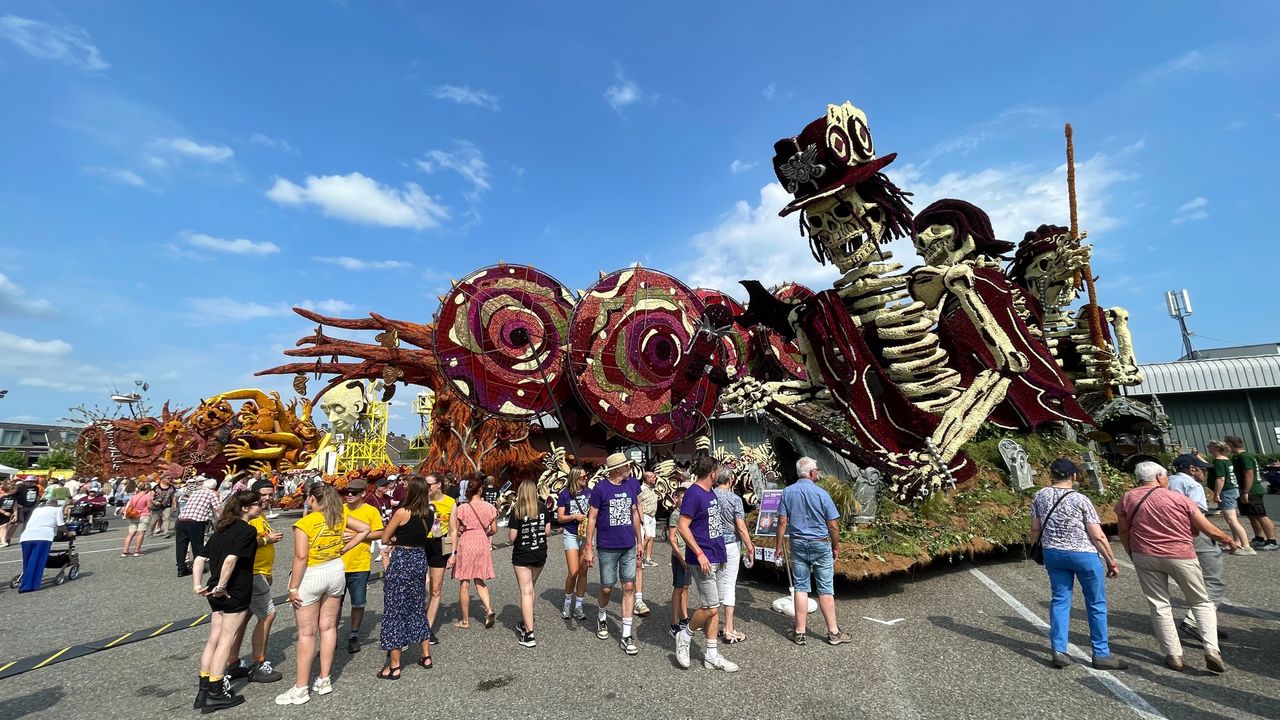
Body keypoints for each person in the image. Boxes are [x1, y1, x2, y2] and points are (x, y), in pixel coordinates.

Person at [1117, 461, 1240, 674]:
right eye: (1165, 476)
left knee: (1159, 605)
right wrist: (1227, 539)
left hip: (1145, 554)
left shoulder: (1128, 498)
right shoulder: (1178, 498)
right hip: (1180, 555)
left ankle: (1173, 654)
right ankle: (1211, 649)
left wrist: (1131, 552)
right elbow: (1205, 527)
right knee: (1201, 601)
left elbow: (1124, 531)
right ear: (1159, 477)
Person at [275, 484, 371, 705]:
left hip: (312, 573)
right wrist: (346, 548)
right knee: (328, 627)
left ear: (311, 499)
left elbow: (300, 557)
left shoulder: (304, 523)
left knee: (306, 633)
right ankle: (324, 678)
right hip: (335, 569)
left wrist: (292, 587)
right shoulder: (339, 516)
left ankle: (301, 688)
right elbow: (365, 529)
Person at [1029, 459, 1127, 669]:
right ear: (1073, 476)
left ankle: (1059, 650)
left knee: (1060, 600)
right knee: (1096, 603)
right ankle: (1101, 653)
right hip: (1083, 554)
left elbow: (1035, 528)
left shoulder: (1039, 496)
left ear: (1051, 475)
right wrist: (1111, 560)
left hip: (1053, 553)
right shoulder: (1080, 499)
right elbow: (1097, 535)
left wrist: (1035, 551)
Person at [190, 490, 261, 713]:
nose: (261, 507)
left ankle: (203, 690)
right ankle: (216, 691)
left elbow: (200, 559)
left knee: (214, 638)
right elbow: (231, 560)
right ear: (245, 508)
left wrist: (198, 585)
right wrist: (222, 586)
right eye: (257, 504)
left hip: (213, 590)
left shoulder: (221, 530)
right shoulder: (247, 531)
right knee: (226, 640)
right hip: (234, 590)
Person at [774, 456, 852, 647]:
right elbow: (833, 525)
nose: (817, 472)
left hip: (798, 543)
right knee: (825, 588)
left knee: (801, 586)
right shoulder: (822, 494)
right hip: (820, 543)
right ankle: (833, 632)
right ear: (811, 473)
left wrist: (778, 547)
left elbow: (782, 522)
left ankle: (799, 632)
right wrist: (835, 545)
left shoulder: (787, 492)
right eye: (816, 469)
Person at [673, 453, 738, 672]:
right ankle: (685, 635)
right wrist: (699, 553)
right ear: (713, 472)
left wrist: (723, 556)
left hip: (717, 555)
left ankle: (711, 655)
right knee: (710, 606)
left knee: (715, 607)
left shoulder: (711, 493)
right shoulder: (693, 493)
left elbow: (713, 526)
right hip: (703, 558)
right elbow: (683, 526)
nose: (719, 473)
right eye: (718, 469)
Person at [224, 480, 286, 684]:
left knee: (244, 617)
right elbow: (244, 542)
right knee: (268, 614)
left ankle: (232, 662)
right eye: (263, 494)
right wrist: (268, 540)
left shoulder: (258, 515)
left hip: (259, 572)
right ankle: (259, 662)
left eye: (270, 494)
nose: (267, 498)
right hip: (253, 572)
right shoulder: (250, 516)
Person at [1166, 453, 1230, 642]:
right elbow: (1197, 516)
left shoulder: (1167, 481)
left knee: (1193, 578)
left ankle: (1206, 623)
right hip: (1194, 532)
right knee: (1213, 580)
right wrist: (1220, 536)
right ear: (1192, 469)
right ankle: (1195, 621)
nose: (1204, 473)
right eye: (1202, 469)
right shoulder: (1193, 485)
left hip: (1172, 534)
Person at [585, 453, 644, 655]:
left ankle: (626, 635)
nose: (629, 469)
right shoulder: (600, 489)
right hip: (607, 546)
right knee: (607, 587)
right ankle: (602, 615)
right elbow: (591, 518)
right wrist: (588, 547)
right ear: (617, 469)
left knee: (628, 586)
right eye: (626, 466)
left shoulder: (631, 485)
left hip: (628, 545)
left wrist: (640, 540)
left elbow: (635, 513)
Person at [378, 476, 435, 678]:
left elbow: (385, 537)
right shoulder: (429, 513)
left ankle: (394, 665)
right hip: (419, 558)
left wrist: (394, 538)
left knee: (394, 608)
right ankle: (426, 655)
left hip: (402, 557)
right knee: (417, 606)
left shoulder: (402, 512)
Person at [339, 478, 385, 654]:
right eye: (347, 492)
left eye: (354, 493)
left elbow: (380, 532)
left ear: (363, 494)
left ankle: (354, 634)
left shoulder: (370, 511)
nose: (349, 495)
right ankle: (331, 636)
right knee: (335, 603)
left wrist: (358, 535)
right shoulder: (339, 510)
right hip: (337, 563)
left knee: (358, 602)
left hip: (359, 564)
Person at [713, 467, 756, 644]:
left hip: (712, 544)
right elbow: (740, 526)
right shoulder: (734, 499)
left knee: (714, 584)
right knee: (729, 584)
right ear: (730, 480)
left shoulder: (709, 495)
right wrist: (750, 547)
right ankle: (729, 628)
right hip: (730, 544)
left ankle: (713, 625)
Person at [447, 479, 498, 630]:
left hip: (467, 541)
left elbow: (455, 530)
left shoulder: (462, 508)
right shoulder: (489, 507)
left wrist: (453, 551)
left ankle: (465, 621)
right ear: (480, 490)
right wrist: (485, 532)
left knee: (464, 581)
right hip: (482, 540)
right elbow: (494, 529)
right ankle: (488, 609)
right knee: (479, 578)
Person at [509, 479, 551, 647]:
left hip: (522, 554)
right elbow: (547, 531)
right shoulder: (542, 508)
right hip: (540, 552)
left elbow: (512, 537)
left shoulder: (517, 510)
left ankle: (529, 634)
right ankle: (527, 621)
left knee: (526, 591)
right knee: (531, 587)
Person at [1226, 435, 1277, 550]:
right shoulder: (1236, 457)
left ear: (1230, 444)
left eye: (1227, 445)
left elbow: (1249, 474)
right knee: (1251, 515)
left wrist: (1245, 491)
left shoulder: (1245, 456)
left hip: (1252, 490)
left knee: (1260, 515)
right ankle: (1259, 538)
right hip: (1243, 490)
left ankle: (1272, 540)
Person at [556, 467, 590, 621]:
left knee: (583, 571)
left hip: (585, 534)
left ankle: (579, 605)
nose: (586, 479)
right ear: (575, 478)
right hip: (571, 534)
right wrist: (574, 516)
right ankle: (567, 602)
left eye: (586, 476)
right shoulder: (565, 494)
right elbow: (560, 518)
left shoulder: (590, 492)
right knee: (573, 572)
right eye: (583, 477)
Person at [1207, 441, 1253, 555]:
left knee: (1232, 519)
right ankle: (1236, 542)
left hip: (1227, 491)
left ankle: (1246, 546)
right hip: (1233, 490)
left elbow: (1221, 478)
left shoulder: (1218, 461)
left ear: (1214, 448)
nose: (1208, 448)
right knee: (1230, 519)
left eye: (1209, 447)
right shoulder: (1227, 460)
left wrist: (1216, 494)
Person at [424, 473, 454, 644]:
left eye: (430, 484)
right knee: (421, 588)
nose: (427, 488)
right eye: (425, 484)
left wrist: (453, 553)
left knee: (436, 588)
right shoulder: (421, 500)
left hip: (439, 543)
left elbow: (453, 530)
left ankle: (427, 628)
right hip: (421, 543)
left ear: (439, 484)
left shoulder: (450, 502)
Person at [18, 497, 66, 592]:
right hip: (43, 536)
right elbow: (61, 525)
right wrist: (68, 534)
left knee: (27, 561)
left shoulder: (37, 510)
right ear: (55, 504)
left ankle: (26, 581)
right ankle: (30, 585)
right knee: (37, 561)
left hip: (27, 536)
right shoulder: (57, 509)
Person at [176, 478, 222, 577]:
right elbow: (218, 508)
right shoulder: (211, 493)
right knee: (197, 546)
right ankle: (198, 567)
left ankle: (181, 569)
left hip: (181, 520)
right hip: (196, 521)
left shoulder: (196, 492)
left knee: (181, 545)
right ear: (214, 487)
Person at [666, 482, 692, 638]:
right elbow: (671, 538)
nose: (685, 500)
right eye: (682, 497)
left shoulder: (687, 514)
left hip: (688, 556)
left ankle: (684, 618)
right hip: (679, 557)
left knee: (685, 587)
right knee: (678, 588)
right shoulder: (676, 515)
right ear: (676, 498)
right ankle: (674, 623)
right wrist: (680, 556)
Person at [120, 483, 153, 557]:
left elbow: (130, 505)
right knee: (141, 533)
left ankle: (125, 551)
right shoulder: (147, 496)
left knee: (130, 533)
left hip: (134, 515)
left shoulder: (133, 496)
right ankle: (137, 551)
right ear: (147, 489)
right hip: (143, 515)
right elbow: (149, 506)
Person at [639, 471, 659, 567]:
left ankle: (648, 559)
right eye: (652, 477)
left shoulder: (652, 489)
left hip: (652, 516)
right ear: (647, 479)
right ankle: (637, 558)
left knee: (651, 537)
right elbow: (639, 503)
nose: (655, 478)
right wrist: (641, 519)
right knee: (646, 537)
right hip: (645, 515)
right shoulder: (642, 489)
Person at [1, 481, 17, 547]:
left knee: (4, 526)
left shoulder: (13, 498)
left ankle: (3, 541)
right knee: (3, 527)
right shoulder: (1, 497)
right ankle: (3, 541)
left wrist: (16, 515)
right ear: (10, 490)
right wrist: (4, 512)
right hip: (3, 513)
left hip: (7, 515)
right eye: (14, 489)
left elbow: (15, 507)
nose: (16, 490)